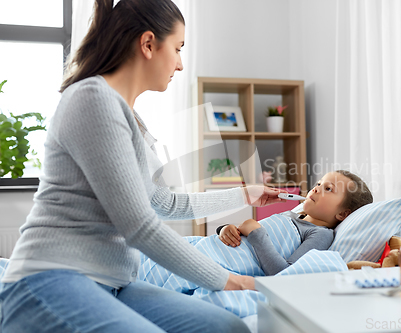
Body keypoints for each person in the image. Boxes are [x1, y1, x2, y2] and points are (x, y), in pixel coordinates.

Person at [0, 1, 287, 332]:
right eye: (178, 49)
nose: (180, 64)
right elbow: (140, 226)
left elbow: (164, 203)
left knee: (228, 327)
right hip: (51, 277)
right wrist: (231, 281)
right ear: (149, 44)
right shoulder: (92, 100)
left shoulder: (130, 117)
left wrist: (245, 194)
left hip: (113, 284)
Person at [217, 170, 373, 275]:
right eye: (318, 184)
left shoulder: (320, 233)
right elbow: (244, 236)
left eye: (328, 189)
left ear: (343, 214)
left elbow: (283, 273)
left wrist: (256, 233)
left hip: (222, 266)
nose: (316, 189)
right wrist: (225, 229)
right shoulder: (289, 216)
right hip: (215, 249)